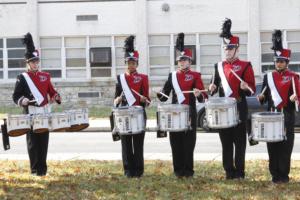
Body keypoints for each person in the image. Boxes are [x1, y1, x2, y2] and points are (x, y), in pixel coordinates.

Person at [209, 18, 256, 179]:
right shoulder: (219, 66)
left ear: (237, 49)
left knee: (240, 143)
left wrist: (246, 88)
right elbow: (213, 84)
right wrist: (211, 88)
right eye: (225, 48)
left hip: (239, 109)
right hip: (223, 110)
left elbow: (252, 89)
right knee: (226, 142)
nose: (227, 51)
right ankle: (229, 171)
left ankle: (240, 172)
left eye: (230, 48)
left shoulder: (246, 65)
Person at [157, 32, 207, 178]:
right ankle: (178, 171)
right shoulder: (172, 76)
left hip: (189, 113)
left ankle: (188, 171)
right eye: (180, 60)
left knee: (188, 143)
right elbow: (165, 96)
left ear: (190, 61)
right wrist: (159, 93)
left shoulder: (196, 75)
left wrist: (199, 94)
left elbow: (203, 97)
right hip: (174, 113)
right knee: (175, 143)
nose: (182, 62)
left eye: (184, 60)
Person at [12, 33, 61, 176]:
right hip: (30, 112)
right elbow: (16, 96)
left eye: (37, 61)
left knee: (43, 141)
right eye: (33, 62)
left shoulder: (45, 76)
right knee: (32, 143)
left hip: (44, 112)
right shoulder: (22, 77)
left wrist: (56, 97)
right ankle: (34, 170)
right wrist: (22, 101)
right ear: (28, 63)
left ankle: (42, 170)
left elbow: (52, 92)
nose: (35, 64)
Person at [257, 30, 300, 183]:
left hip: (286, 115)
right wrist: (261, 98)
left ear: (287, 62)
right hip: (271, 115)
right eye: (277, 61)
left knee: (285, 146)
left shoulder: (294, 77)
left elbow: (298, 97)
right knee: (272, 146)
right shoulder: (268, 77)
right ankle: (274, 175)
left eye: (282, 61)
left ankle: (283, 176)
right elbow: (264, 95)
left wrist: (294, 98)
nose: (279, 63)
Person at [113, 35, 150, 178]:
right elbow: (115, 99)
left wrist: (143, 99)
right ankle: (128, 170)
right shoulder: (120, 78)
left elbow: (148, 100)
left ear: (137, 63)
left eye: (134, 62)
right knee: (126, 143)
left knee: (138, 143)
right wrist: (118, 99)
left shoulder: (143, 78)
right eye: (129, 62)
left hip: (139, 113)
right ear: (125, 63)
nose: (131, 65)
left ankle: (139, 170)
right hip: (124, 113)